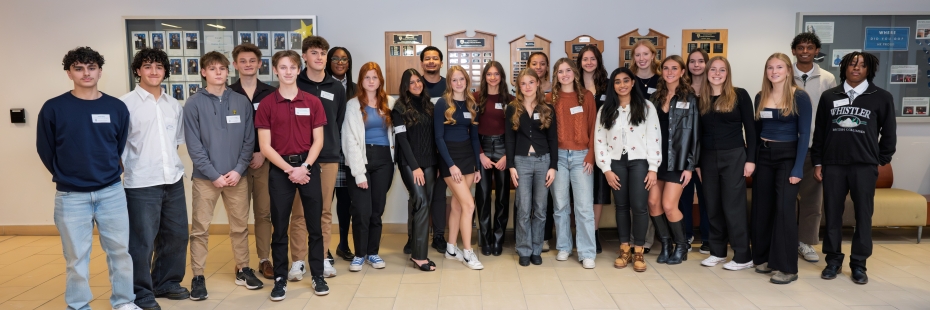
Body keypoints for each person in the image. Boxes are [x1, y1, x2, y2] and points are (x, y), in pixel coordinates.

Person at [37, 46, 140, 310]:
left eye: (91, 67)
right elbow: (46, 150)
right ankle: (79, 306)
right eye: (79, 68)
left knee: (120, 253)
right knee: (76, 258)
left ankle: (124, 302)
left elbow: (118, 146)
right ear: (69, 73)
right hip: (71, 196)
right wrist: (68, 175)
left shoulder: (116, 107)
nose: (86, 73)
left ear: (100, 71)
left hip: (111, 192)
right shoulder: (53, 108)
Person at [812, 52, 896, 285]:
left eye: (861, 65)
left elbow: (889, 133)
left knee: (863, 216)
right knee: (832, 215)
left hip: (864, 167)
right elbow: (820, 132)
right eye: (852, 64)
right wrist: (818, 162)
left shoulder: (882, 97)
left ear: (869, 70)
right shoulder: (829, 96)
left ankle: (859, 264)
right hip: (833, 165)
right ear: (844, 68)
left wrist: (880, 159)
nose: (856, 68)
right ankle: (833, 261)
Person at [184, 51, 263, 300]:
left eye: (222, 68)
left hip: (236, 177)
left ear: (228, 71)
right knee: (200, 229)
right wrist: (213, 174)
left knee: (240, 227)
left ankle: (243, 269)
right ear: (203, 72)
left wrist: (238, 170)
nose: (218, 72)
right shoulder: (193, 103)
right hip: (205, 179)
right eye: (212, 68)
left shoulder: (241, 101)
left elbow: (249, 140)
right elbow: (194, 145)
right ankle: (198, 276)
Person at [256, 50, 330, 300]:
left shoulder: (313, 102)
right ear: (275, 70)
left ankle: (318, 275)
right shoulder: (267, 104)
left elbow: (318, 141)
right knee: (279, 228)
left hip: (308, 168)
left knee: (315, 226)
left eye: (292, 67)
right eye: (283, 67)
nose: (288, 72)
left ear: (299, 70)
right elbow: (265, 146)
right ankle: (280, 278)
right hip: (280, 171)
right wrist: (290, 170)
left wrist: (305, 167)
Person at [120, 48, 190, 309]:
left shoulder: (173, 105)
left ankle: (166, 282)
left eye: (159, 67)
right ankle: (140, 292)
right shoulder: (125, 104)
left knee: (177, 235)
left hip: (172, 179)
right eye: (147, 66)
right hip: (141, 182)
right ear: (138, 70)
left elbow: (175, 143)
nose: (153, 71)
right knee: (142, 241)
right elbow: (118, 146)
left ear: (165, 71)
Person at [230, 43, 305, 280]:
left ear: (260, 64)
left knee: (264, 213)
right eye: (243, 61)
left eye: (252, 60)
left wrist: (262, 152)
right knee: (239, 216)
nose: (248, 65)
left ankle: (264, 259)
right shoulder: (228, 94)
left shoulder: (272, 94)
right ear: (235, 64)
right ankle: (242, 264)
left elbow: (278, 130)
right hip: (236, 165)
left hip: (265, 162)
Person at [751, 53, 812, 284]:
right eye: (770, 67)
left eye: (779, 67)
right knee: (762, 208)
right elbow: (756, 132)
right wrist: (752, 160)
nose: (774, 71)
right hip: (764, 155)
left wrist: (798, 168)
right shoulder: (760, 96)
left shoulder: (800, 97)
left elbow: (804, 134)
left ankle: (787, 268)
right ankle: (765, 258)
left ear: (788, 70)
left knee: (785, 210)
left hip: (788, 156)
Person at [595, 67, 661, 272]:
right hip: (616, 163)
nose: (622, 85)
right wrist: (606, 168)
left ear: (633, 83)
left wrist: (653, 168)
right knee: (621, 206)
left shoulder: (647, 107)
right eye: (617, 82)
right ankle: (624, 249)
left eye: (626, 80)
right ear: (612, 86)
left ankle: (638, 250)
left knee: (639, 206)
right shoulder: (605, 109)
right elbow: (599, 140)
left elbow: (654, 137)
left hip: (640, 162)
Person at [696, 56, 756, 270]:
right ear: (707, 72)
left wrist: (751, 160)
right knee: (712, 206)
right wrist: (697, 164)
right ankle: (717, 252)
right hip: (707, 158)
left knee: (733, 207)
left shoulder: (739, 95)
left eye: (722, 70)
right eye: (713, 69)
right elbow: (697, 134)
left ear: (728, 73)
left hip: (734, 156)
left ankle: (743, 255)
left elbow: (751, 129)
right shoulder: (700, 99)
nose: (717, 73)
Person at [296, 36, 346, 278]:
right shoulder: (295, 83)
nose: (319, 57)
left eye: (323, 53)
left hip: (328, 156)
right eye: (314, 53)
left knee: (325, 211)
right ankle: (298, 260)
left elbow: (338, 121)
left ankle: (323, 257)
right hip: (298, 158)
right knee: (299, 213)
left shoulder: (336, 88)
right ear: (304, 56)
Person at [343, 62, 397, 272]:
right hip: (361, 159)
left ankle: (373, 253)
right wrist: (358, 173)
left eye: (375, 77)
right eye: (367, 77)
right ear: (361, 80)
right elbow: (349, 140)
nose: (371, 81)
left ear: (380, 80)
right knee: (361, 211)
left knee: (377, 210)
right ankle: (359, 254)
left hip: (384, 160)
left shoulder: (390, 102)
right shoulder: (353, 105)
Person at [791, 32, 837, 263]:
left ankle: (805, 242)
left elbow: (833, 115)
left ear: (817, 51)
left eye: (810, 47)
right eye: (800, 47)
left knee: (812, 200)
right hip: (787, 147)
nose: (805, 51)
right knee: (785, 199)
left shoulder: (827, 78)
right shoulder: (783, 74)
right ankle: (784, 239)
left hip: (814, 147)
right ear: (794, 51)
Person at [648, 55, 698, 266]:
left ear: (682, 72)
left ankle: (682, 245)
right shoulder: (654, 98)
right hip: (656, 160)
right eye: (666, 68)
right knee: (653, 203)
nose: (669, 72)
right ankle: (666, 244)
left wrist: (690, 166)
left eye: (674, 68)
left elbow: (695, 134)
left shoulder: (690, 98)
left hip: (678, 161)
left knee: (669, 205)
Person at [547, 58, 597, 268]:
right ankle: (564, 247)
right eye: (560, 71)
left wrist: (591, 155)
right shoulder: (549, 98)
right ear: (556, 75)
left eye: (568, 70)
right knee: (560, 206)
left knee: (584, 207)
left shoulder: (586, 96)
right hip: (557, 157)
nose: (565, 74)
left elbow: (594, 128)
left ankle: (587, 252)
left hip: (581, 157)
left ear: (575, 73)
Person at [506, 69, 558, 267]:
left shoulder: (547, 109)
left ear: (538, 84)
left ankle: (536, 249)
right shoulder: (513, 108)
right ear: (519, 87)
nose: (527, 87)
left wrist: (553, 166)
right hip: (521, 162)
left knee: (540, 209)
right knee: (523, 208)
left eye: (531, 82)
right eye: (523, 83)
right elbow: (509, 139)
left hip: (543, 161)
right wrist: (511, 166)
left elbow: (553, 139)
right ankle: (524, 249)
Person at [434, 65, 485, 270]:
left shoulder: (472, 104)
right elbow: (438, 138)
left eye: (461, 79)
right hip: (450, 159)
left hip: (468, 158)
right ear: (449, 82)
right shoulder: (442, 103)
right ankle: (468, 253)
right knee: (469, 205)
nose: (458, 83)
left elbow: (475, 138)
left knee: (457, 205)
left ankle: (451, 248)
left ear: (466, 81)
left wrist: (477, 167)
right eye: (454, 80)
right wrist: (451, 165)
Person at [393, 69, 438, 271]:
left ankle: (414, 243)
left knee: (422, 204)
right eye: (411, 82)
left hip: (430, 162)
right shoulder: (399, 108)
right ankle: (419, 256)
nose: (416, 85)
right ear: (405, 86)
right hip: (410, 164)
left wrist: (436, 165)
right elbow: (402, 140)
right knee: (421, 202)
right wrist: (415, 167)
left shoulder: (430, 106)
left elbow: (434, 137)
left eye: (418, 81)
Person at [473, 61, 513, 256]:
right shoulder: (475, 98)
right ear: (484, 77)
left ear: (501, 76)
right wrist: (480, 154)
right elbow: (471, 129)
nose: (493, 77)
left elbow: (515, 130)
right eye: (489, 74)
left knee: (503, 197)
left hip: (504, 148)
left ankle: (498, 239)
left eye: (496, 74)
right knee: (483, 196)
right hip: (483, 148)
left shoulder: (511, 100)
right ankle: (485, 239)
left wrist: (507, 155)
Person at [577, 45, 611, 254]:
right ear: (579, 62)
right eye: (585, 59)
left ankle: (594, 231)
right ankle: (580, 232)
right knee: (579, 192)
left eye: (592, 59)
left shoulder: (608, 85)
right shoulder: (573, 84)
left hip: (602, 145)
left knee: (598, 190)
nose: (589, 62)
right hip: (579, 145)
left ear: (598, 61)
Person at [325, 46, 357, 261]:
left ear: (349, 63)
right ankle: (323, 248)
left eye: (344, 59)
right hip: (327, 149)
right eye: (335, 58)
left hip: (349, 151)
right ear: (329, 62)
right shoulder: (322, 86)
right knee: (325, 202)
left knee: (346, 202)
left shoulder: (356, 89)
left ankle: (343, 244)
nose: (340, 62)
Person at [419, 46, 451, 253]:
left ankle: (438, 236)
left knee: (439, 194)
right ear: (422, 63)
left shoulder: (449, 86)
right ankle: (415, 236)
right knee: (418, 194)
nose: (431, 61)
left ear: (441, 62)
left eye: (435, 58)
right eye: (427, 58)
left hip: (444, 147)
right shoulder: (416, 84)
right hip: (421, 148)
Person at [683, 48, 711, 253]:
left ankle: (708, 237)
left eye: (700, 61)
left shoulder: (714, 89)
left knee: (707, 197)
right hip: (685, 153)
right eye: (692, 61)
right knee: (683, 196)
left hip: (707, 153)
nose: (696, 65)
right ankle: (685, 235)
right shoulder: (682, 90)